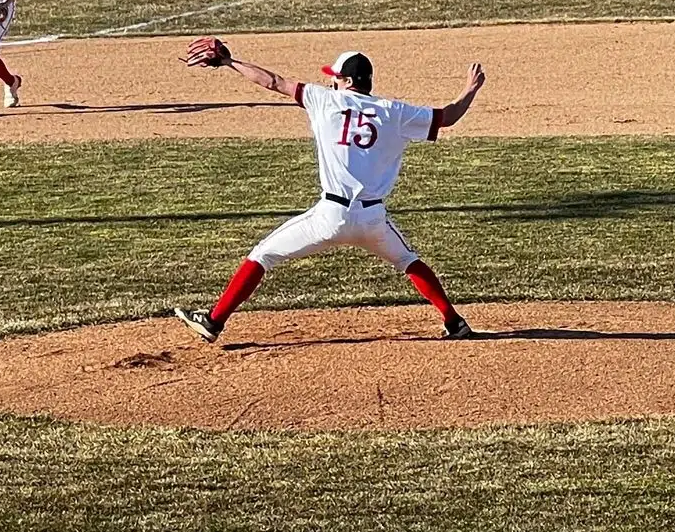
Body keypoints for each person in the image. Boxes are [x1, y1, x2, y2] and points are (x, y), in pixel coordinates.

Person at [172, 41, 486, 342]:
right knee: (408, 259)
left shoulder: (324, 100)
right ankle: (454, 322)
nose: (332, 82)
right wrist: (470, 90)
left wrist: (230, 62)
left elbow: (273, 81)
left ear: (347, 81)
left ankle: (213, 321)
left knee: (263, 254)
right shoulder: (395, 112)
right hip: (373, 219)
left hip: (330, 216)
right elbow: (448, 116)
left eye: (335, 78)